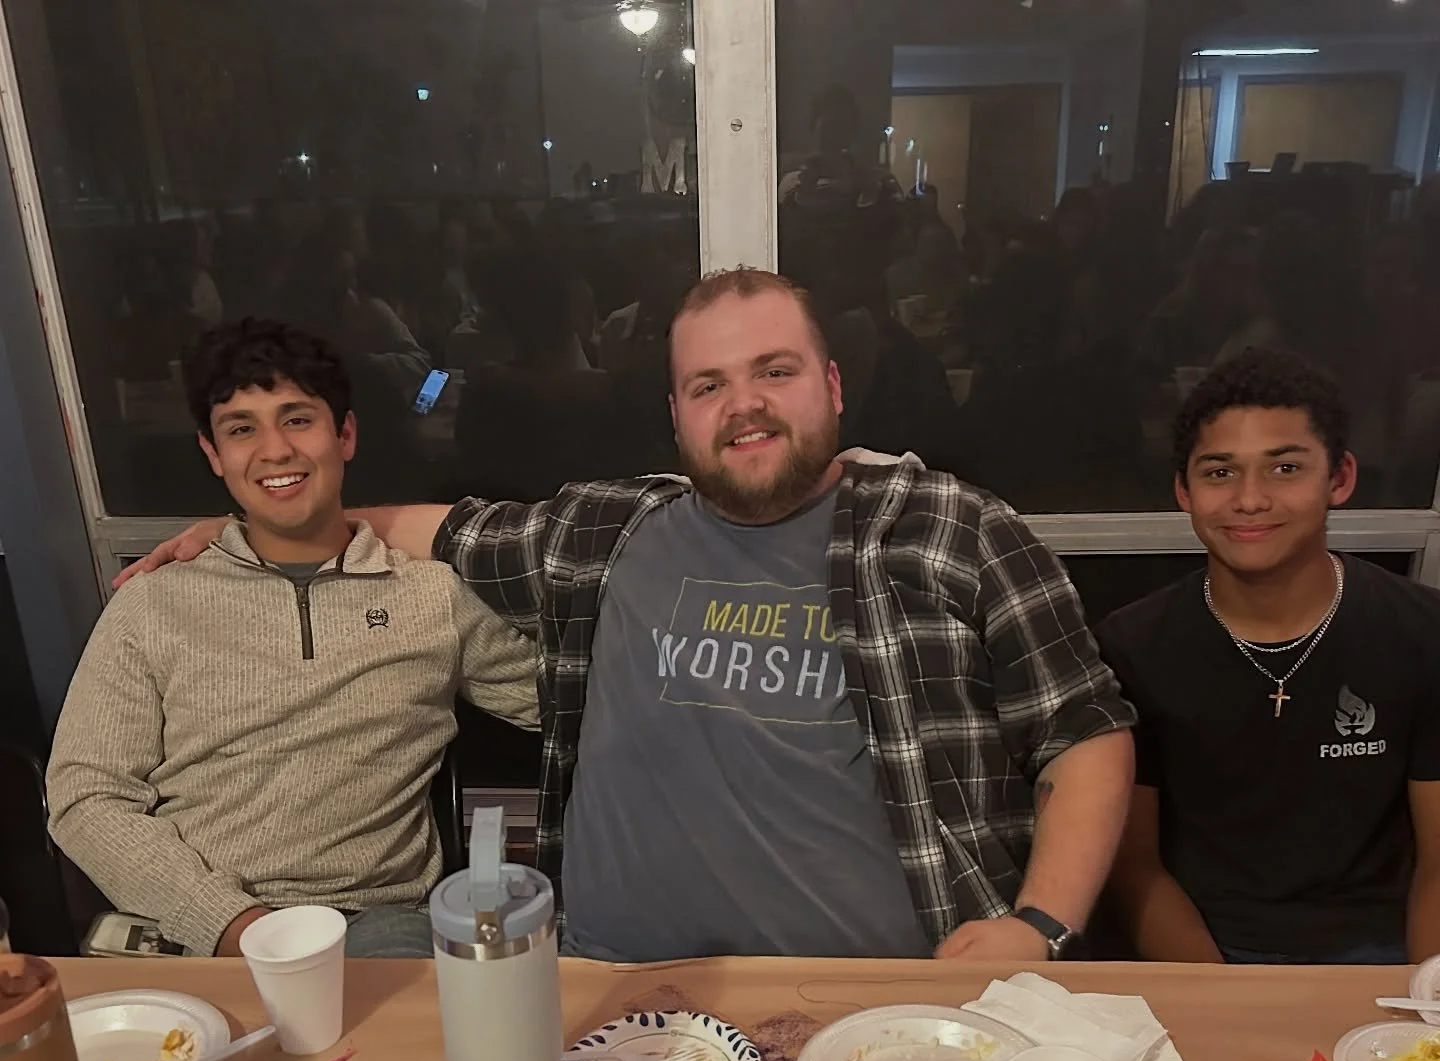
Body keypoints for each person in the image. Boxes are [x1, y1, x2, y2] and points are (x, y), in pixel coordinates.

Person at [119, 270, 1135, 965]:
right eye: (709, 385)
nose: (745, 405)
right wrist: (265, 518)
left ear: (830, 385)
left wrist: (1039, 925)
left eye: (775, 372)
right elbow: (437, 528)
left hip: (878, 996)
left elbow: (1085, 732)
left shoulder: (947, 528)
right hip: (613, 995)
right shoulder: (608, 532)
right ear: (676, 415)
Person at [50, 318, 538, 958]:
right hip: (196, 928)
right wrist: (230, 924)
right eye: (241, 429)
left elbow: (565, 699)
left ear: (345, 435)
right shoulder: (152, 603)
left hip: (374, 922)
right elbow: (87, 796)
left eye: (298, 419)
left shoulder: (431, 597)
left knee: (396, 1018)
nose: (275, 450)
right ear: (213, 454)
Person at [1099, 348, 1440, 965]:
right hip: (1203, 949)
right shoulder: (1132, 647)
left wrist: (1426, 997)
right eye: (1220, 472)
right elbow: (1135, 868)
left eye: (1285, 468)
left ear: (1339, 478)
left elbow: (1438, 867)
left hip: (1379, 948)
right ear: (1183, 490)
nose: (1250, 499)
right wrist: (1219, 996)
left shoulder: (1421, 632)